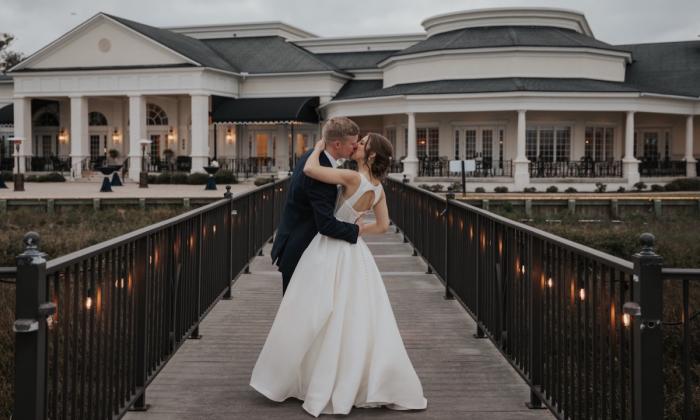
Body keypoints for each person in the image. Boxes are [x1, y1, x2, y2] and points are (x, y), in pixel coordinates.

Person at [250, 132, 427, 417]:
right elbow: (382, 226)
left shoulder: (352, 178)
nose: (357, 145)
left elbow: (310, 170)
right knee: (353, 315)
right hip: (355, 253)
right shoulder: (378, 188)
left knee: (315, 309)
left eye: (363, 142)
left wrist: (320, 144)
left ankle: (311, 375)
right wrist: (358, 229)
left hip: (329, 248)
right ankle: (351, 376)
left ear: (370, 155)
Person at [270, 117, 363, 295]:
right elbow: (326, 224)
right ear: (337, 144)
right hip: (301, 252)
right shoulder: (320, 172)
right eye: (353, 143)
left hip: (299, 245)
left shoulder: (313, 156)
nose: (356, 146)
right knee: (298, 314)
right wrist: (356, 230)